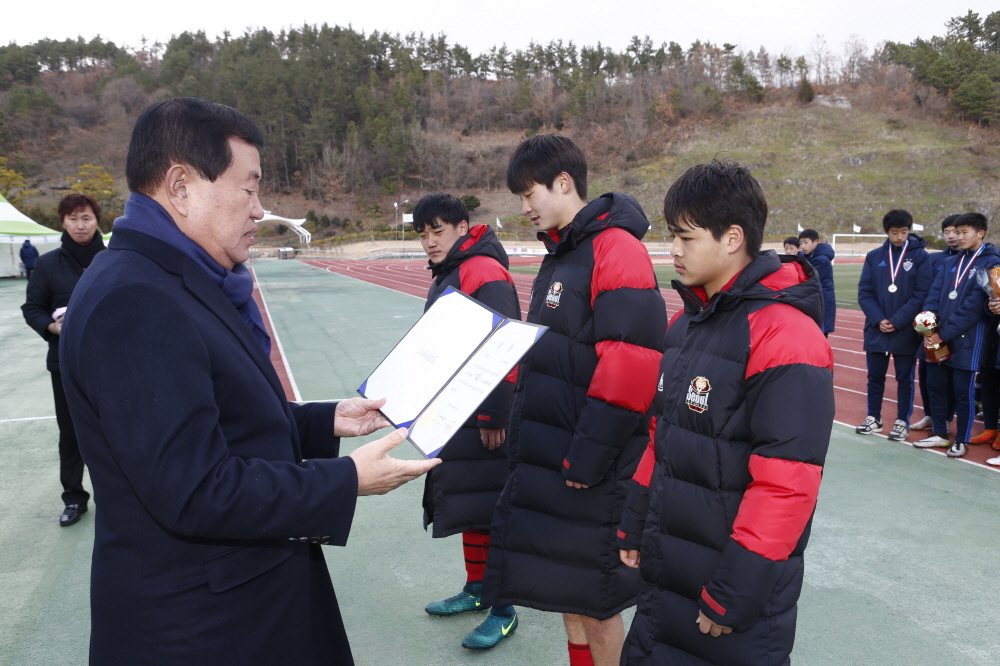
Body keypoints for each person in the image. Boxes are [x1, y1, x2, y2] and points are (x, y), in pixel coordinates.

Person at [58, 97, 439, 665]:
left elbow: (214, 416)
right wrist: (345, 480)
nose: (260, 210)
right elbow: (194, 489)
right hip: (205, 627)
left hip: (234, 603)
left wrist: (323, 420)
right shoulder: (135, 299)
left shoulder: (171, 277)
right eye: (249, 189)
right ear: (181, 188)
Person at [616, 159, 834, 665]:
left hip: (730, 593)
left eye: (685, 237)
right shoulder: (687, 325)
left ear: (733, 238)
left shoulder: (787, 336)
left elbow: (787, 482)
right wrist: (636, 517)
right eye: (672, 236)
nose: (673, 250)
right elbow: (662, 437)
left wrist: (735, 590)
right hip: (669, 575)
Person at [480, 134, 666, 666]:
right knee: (567, 595)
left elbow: (631, 364)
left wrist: (587, 457)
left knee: (597, 606)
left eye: (529, 193)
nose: (524, 207)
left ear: (564, 183)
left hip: (590, 469)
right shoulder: (563, 252)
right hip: (555, 459)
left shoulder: (615, 248)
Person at [411, 192, 522, 650]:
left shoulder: (483, 270)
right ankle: (477, 589)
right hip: (456, 413)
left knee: (494, 511)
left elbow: (507, 344)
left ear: (462, 228)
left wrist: (494, 413)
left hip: (484, 416)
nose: (430, 241)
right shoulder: (450, 270)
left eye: (438, 231)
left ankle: (504, 609)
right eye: (423, 234)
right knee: (470, 506)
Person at [21, 193, 106, 527]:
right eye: (73, 219)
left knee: (115, 430)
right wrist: (52, 326)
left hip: (110, 362)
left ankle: (118, 497)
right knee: (70, 434)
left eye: (86, 218)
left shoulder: (113, 259)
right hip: (65, 363)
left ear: (97, 221)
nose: (80, 225)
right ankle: (74, 499)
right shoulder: (47, 264)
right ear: (63, 222)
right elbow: (32, 308)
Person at [914, 212, 1000, 458]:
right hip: (937, 336)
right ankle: (940, 433)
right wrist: (929, 329)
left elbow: (974, 307)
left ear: (980, 233)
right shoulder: (950, 262)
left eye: (964, 232)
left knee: (963, 392)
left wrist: (941, 334)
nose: (959, 237)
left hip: (967, 340)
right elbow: (932, 296)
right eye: (956, 232)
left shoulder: (992, 263)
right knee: (935, 386)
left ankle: (961, 439)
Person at [855, 210, 929, 441]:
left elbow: (921, 294)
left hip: (905, 330)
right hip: (877, 329)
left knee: (904, 379)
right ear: (886, 232)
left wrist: (897, 321)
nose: (899, 237)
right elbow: (864, 292)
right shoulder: (874, 256)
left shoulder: (920, 257)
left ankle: (901, 421)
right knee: (874, 377)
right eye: (895, 232)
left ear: (909, 231)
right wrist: (879, 319)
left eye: (904, 232)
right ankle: (873, 417)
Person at [912, 214, 961, 431]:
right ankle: (930, 415)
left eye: (956, 232)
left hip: (955, 329)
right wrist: (925, 325)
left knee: (950, 376)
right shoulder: (935, 259)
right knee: (926, 373)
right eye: (947, 232)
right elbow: (925, 291)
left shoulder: (973, 261)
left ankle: (946, 418)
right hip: (930, 328)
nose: (951, 236)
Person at [799, 228, 836, 335]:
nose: (803, 246)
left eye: (806, 242)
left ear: (815, 242)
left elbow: (807, 279)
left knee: (819, 335)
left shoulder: (822, 260)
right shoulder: (807, 256)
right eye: (800, 243)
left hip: (822, 302)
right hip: (813, 301)